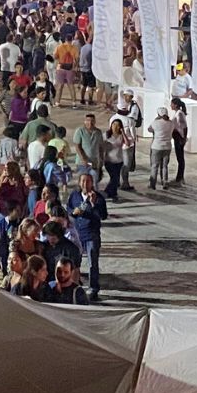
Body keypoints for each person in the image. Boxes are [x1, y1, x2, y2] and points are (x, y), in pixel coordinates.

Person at [67, 171, 107, 301]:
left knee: (92, 263)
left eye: (88, 181)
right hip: (78, 234)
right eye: (83, 181)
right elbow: (70, 210)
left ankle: (93, 288)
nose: (85, 184)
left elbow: (103, 215)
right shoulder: (75, 196)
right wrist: (74, 211)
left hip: (91, 234)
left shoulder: (99, 198)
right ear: (79, 183)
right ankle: (73, 284)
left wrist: (94, 204)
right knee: (74, 262)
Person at [147, 106, 174, 190]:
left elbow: (149, 129)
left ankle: (153, 184)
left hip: (156, 146)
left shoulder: (156, 122)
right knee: (164, 166)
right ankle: (165, 182)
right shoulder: (171, 123)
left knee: (154, 166)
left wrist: (156, 120)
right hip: (167, 146)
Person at [72, 113, 104, 182]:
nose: (90, 122)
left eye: (92, 121)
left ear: (95, 122)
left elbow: (101, 146)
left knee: (94, 180)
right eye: (88, 120)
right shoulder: (80, 131)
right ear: (84, 121)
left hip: (94, 163)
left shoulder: (98, 132)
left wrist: (101, 159)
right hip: (82, 163)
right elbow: (77, 146)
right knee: (83, 181)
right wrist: (83, 159)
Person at [103, 119, 127, 201]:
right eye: (114, 124)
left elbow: (127, 143)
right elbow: (101, 146)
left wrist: (123, 132)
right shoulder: (106, 135)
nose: (115, 127)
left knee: (116, 178)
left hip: (119, 160)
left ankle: (113, 193)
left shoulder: (121, 135)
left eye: (118, 125)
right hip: (109, 160)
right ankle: (108, 192)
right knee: (114, 178)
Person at [170, 98, 188, 186]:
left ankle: (179, 178)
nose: (171, 105)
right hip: (178, 137)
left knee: (180, 158)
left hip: (179, 138)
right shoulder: (178, 113)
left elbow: (184, 127)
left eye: (172, 104)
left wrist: (183, 138)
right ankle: (180, 177)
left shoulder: (180, 114)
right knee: (180, 158)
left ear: (175, 105)